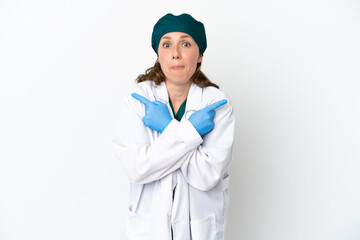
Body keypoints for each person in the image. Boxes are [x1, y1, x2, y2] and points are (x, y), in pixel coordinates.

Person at [110, 13, 235, 240]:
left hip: (198, 227)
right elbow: (138, 168)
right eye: (167, 44)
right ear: (158, 55)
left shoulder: (217, 104)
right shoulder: (139, 99)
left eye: (185, 44)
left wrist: (167, 127)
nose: (175, 53)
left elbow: (207, 176)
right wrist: (189, 133)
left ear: (200, 56)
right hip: (148, 227)